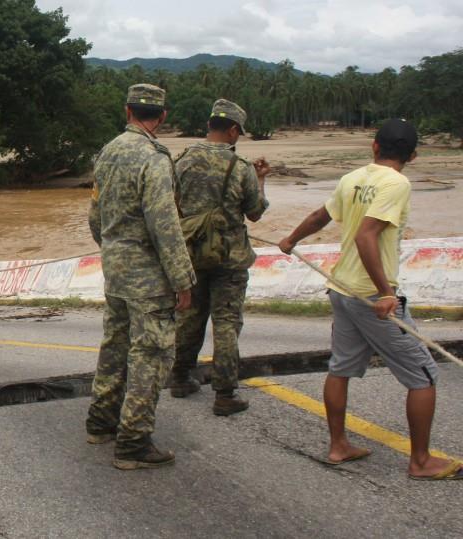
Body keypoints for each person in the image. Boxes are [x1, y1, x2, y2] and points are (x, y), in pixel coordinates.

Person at [279, 118, 461, 479]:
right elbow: (366, 237)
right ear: (413, 155)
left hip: (342, 290)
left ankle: (338, 446)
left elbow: (320, 216)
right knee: (423, 374)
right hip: (369, 296)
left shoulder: (353, 178)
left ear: (374, 147)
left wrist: (291, 240)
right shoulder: (397, 183)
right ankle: (421, 461)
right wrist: (387, 293)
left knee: (341, 368)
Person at [86, 83, 195, 471]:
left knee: (115, 345)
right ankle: (133, 441)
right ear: (161, 117)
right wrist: (182, 279)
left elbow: (95, 217)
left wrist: (114, 248)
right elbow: (165, 226)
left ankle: (101, 422)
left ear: (126, 111)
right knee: (151, 353)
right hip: (148, 276)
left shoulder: (108, 152)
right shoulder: (154, 158)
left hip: (115, 268)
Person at [169, 99, 270, 416]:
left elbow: (170, 204)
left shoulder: (181, 160)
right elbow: (254, 212)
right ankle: (224, 394)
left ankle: (181, 377)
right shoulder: (240, 168)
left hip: (191, 254)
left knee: (188, 318)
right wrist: (261, 179)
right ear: (233, 130)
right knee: (226, 323)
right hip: (229, 257)